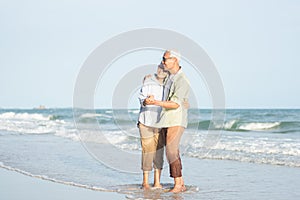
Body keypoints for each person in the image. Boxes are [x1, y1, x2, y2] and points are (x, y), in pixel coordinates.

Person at [144, 50, 190, 193]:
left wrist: (155, 102)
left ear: (175, 60)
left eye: (165, 59)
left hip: (176, 119)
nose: (163, 62)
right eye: (162, 59)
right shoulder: (171, 77)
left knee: (171, 151)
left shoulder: (182, 80)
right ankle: (180, 183)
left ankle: (178, 184)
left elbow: (175, 104)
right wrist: (147, 79)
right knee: (172, 151)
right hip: (167, 120)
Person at [137, 63, 169, 189]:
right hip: (145, 122)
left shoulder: (169, 86)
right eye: (160, 68)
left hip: (161, 123)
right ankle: (145, 182)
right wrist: (146, 100)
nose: (161, 70)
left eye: (164, 69)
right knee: (147, 151)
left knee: (159, 152)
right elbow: (141, 98)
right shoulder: (148, 82)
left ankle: (157, 182)